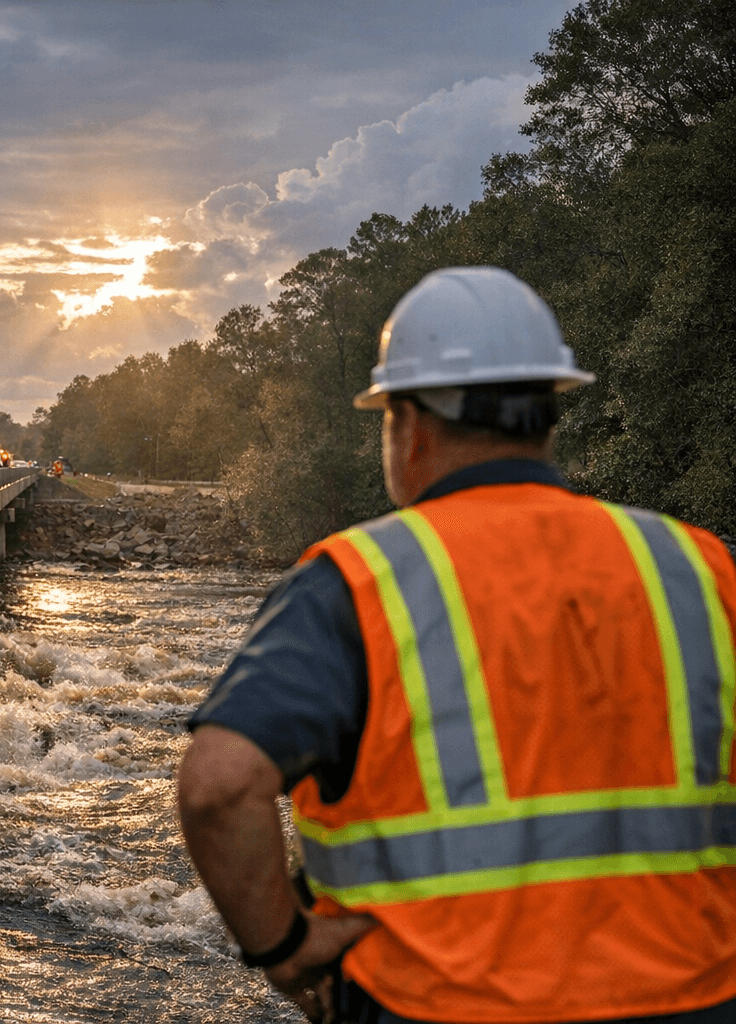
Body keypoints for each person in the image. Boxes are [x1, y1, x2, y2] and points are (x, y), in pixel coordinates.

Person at [175, 266, 736, 1024]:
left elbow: (217, 787)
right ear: (547, 417)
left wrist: (284, 948)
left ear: (409, 423)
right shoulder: (701, 567)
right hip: (699, 999)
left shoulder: (358, 580)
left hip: (435, 1004)